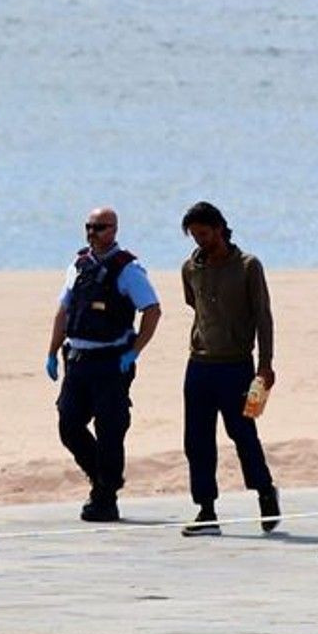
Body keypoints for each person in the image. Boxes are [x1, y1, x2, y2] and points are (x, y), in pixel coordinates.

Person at [45, 207, 162, 522]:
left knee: (110, 429)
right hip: (78, 360)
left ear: (114, 229)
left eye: (99, 227)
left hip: (112, 362)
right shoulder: (79, 264)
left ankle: (105, 496)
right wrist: (52, 352)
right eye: (88, 226)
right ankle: (104, 478)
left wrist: (134, 352)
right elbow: (63, 311)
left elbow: (152, 310)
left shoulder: (128, 269)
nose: (92, 232)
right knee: (69, 425)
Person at [176, 202, 281, 536]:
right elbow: (195, 305)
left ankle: (264, 490)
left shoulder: (248, 266)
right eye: (194, 235)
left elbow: (263, 316)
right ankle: (206, 510)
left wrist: (265, 365)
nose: (199, 241)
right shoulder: (190, 268)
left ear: (220, 228)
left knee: (243, 434)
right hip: (199, 365)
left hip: (236, 366)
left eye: (204, 234)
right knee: (197, 440)